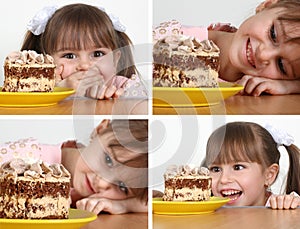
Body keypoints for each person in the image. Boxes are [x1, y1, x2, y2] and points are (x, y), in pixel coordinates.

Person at [153, 0, 300, 96]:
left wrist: (290, 87)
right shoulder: (168, 40)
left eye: (281, 65)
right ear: (266, 6)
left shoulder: (257, 88)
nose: (263, 55)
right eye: (273, 34)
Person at [0, 119, 148, 214]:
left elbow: (152, 202)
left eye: (122, 187)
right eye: (108, 160)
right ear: (100, 129)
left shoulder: (92, 199)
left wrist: (123, 206)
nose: (102, 183)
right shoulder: (20, 158)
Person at [21, 3, 147, 99]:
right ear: (48, 63)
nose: (85, 65)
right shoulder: (43, 90)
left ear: (115, 59)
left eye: (97, 54)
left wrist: (120, 103)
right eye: (70, 56)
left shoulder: (125, 87)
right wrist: (61, 92)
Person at [202, 121, 300, 209]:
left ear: (269, 175)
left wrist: (291, 207)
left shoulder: (281, 208)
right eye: (216, 169)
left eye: (238, 167)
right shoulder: (211, 210)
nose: (224, 179)